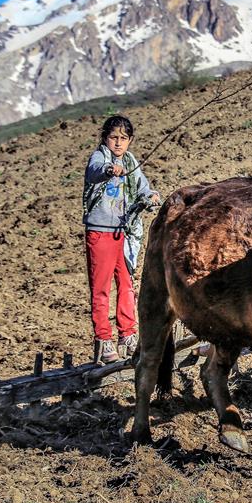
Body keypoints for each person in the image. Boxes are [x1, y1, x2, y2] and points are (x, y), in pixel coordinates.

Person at [82, 114, 160, 364]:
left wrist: (150, 196)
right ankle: (103, 339)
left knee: (126, 284)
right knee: (102, 288)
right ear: (105, 138)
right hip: (101, 230)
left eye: (123, 138)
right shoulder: (100, 158)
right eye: (113, 137)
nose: (118, 143)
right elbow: (95, 172)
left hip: (124, 233)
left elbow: (141, 185)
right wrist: (108, 170)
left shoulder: (130, 160)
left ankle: (128, 335)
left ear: (130, 141)